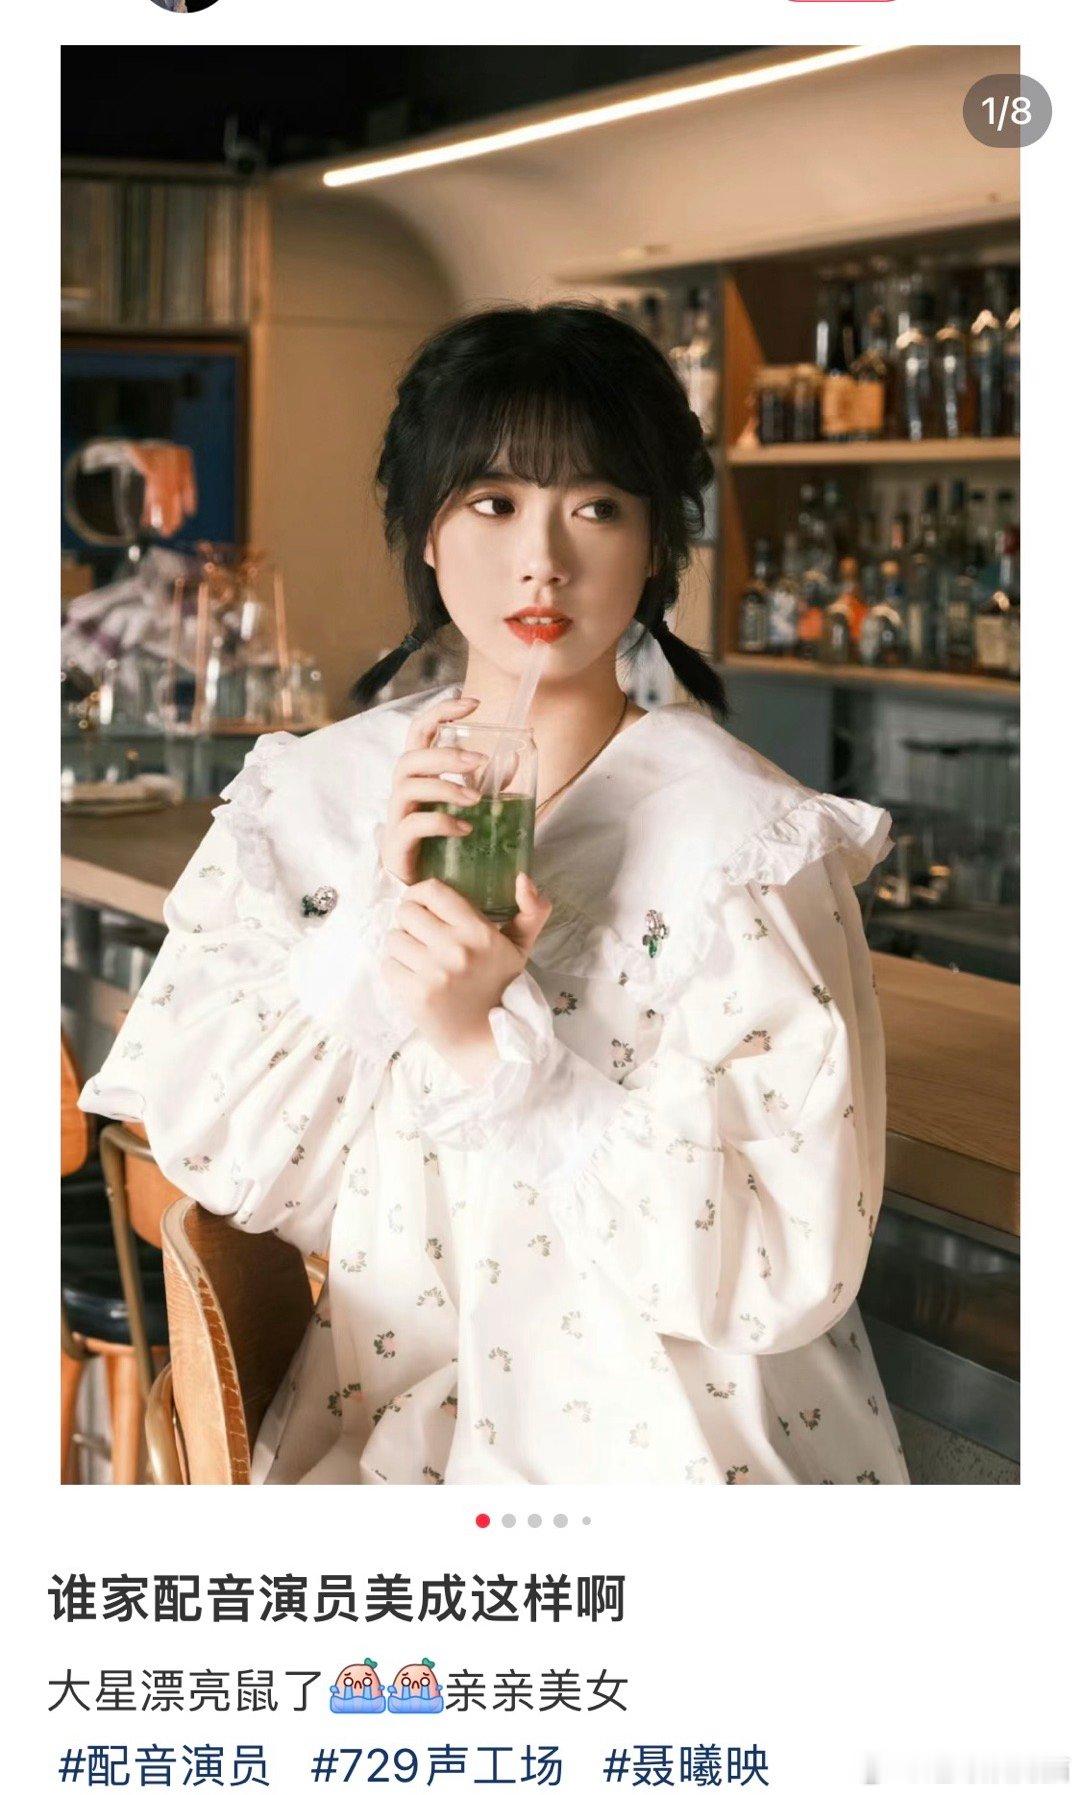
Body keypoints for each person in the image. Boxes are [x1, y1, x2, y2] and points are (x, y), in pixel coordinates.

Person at [79, 303, 909, 1485]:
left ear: (656, 545)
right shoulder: (315, 797)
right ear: (428, 529)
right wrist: (374, 945)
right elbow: (213, 1149)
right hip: (398, 1412)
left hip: (677, 1442)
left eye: (598, 506)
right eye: (494, 501)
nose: (544, 559)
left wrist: (493, 1056)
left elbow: (790, 1259)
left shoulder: (749, 845)